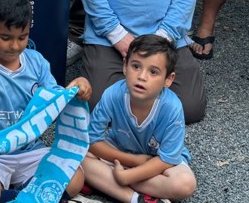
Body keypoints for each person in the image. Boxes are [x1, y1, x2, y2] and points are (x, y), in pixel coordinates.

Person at [0, 0, 90, 203]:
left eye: (22, 37)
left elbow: (55, 101)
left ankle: (15, 198)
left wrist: (77, 88)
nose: (15, 46)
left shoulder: (36, 62)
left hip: (29, 150)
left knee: (76, 177)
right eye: (5, 37)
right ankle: (35, 196)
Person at [79, 35, 197, 203]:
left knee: (185, 184)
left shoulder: (172, 107)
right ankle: (138, 199)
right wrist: (132, 161)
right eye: (136, 66)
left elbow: (167, 159)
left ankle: (108, 181)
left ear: (168, 79)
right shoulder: (113, 94)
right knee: (77, 153)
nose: (142, 76)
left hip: (156, 162)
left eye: (153, 72)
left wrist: (128, 177)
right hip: (120, 153)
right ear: (125, 66)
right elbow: (91, 139)